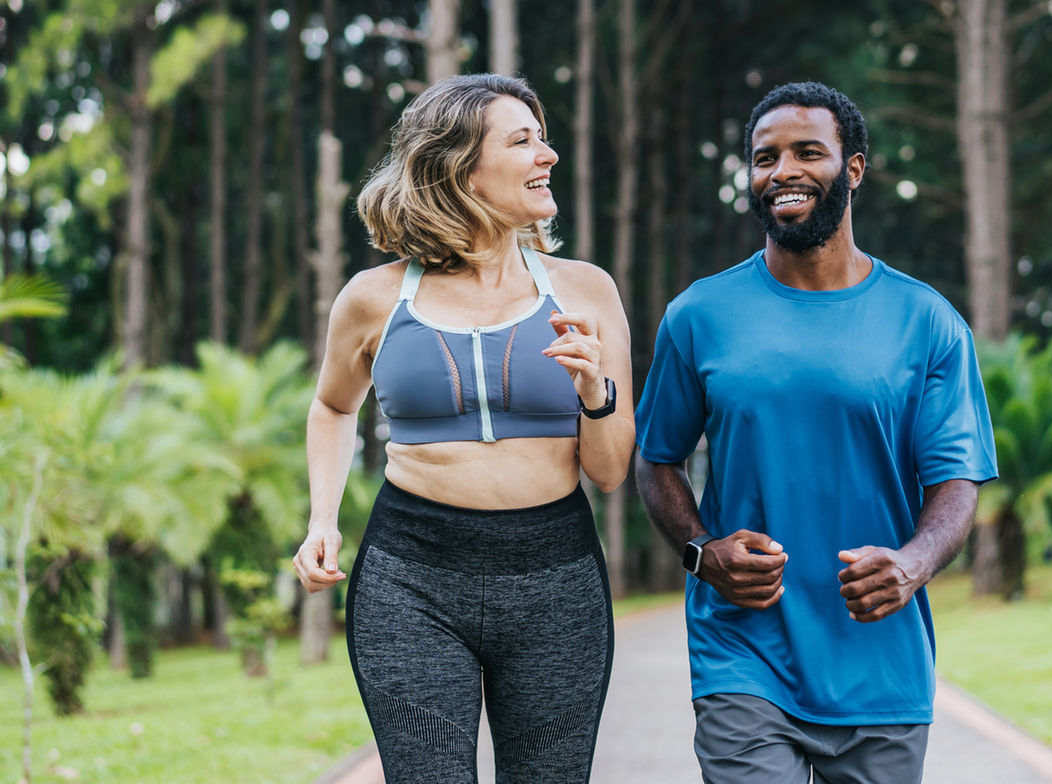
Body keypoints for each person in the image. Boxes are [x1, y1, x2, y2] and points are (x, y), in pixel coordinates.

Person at [634, 81, 998, 784]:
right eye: (765, 157)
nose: (783, 172)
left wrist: (913, 564)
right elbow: (657, 460)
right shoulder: (698, 315)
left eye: (808, 151)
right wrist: (702, 553)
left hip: (880, 662)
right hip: (742, 653)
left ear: (853, 168)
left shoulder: (928, 323)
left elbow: (955, 481)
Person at [291, 73, 634, 784]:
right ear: (459, 167)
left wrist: (593, 392)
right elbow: (331, 407)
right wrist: (322, 518)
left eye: (544, 137)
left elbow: (608, 471)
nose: (549, 155)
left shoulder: (586, 291)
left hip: (555, 579)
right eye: (523, 140)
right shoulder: (375, 297)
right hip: (410, 577)